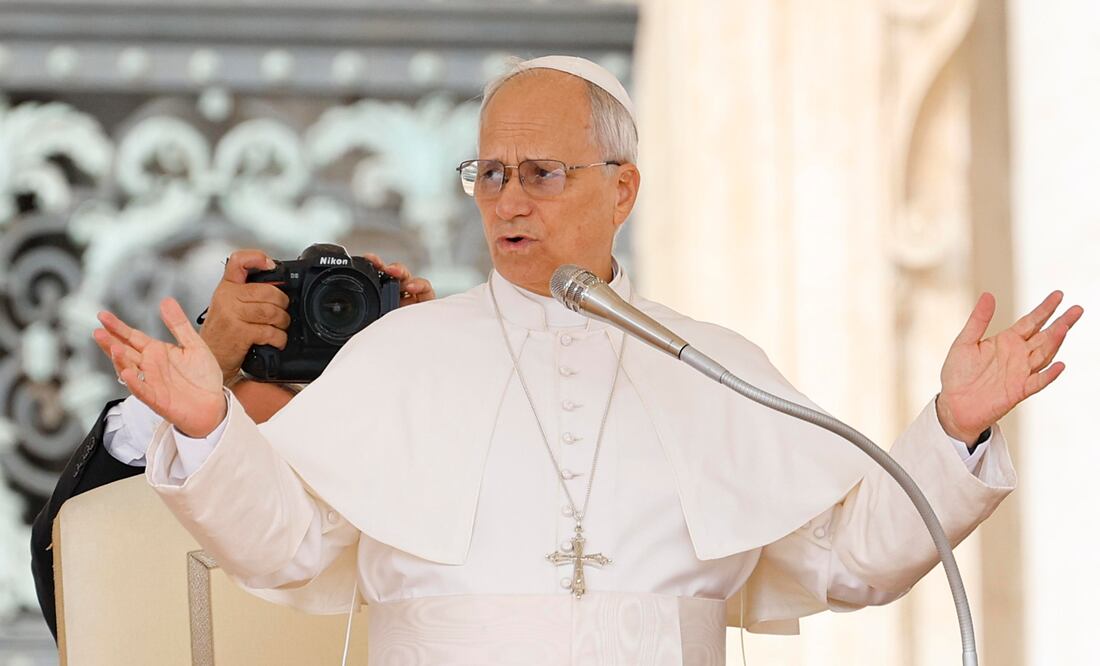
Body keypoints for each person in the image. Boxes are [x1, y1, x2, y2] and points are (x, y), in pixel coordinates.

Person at [95, 56, 1083, 663]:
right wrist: (210, 428)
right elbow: (287, 546)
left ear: (622, 188)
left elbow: (847, 560)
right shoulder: (401, 355)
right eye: (488, 173)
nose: (507, 202)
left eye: (541, 173)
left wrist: (950, 427)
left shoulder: (709, 360)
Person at [30, 249, 433, 641]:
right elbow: (68, 562)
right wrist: (207, 368)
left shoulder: (411, 473)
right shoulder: (185, 458)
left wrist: (428, 380)